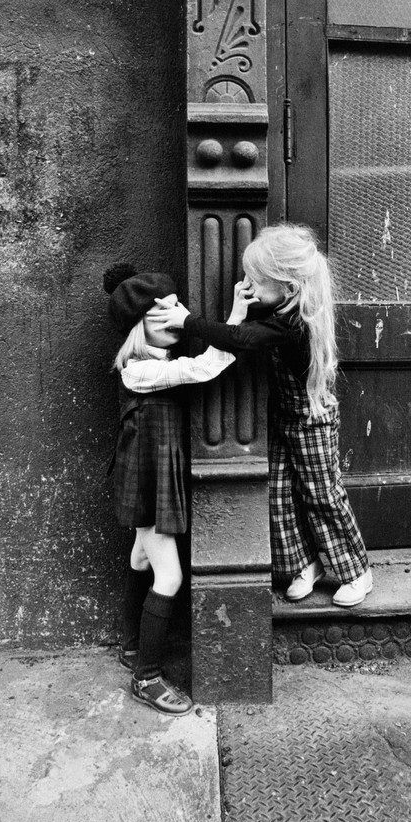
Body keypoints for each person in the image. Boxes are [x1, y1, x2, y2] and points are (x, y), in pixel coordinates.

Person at [145, 224, 372, 608]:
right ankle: (306, 563)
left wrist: (187, 321)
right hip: (285, 415)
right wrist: (242, 305)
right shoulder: (280, 308)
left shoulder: (294, 322)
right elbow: (244, 330)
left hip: (311, 419)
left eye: (257, 280)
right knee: (280, 491)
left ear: (288, 286)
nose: (248, 283)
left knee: (322, 494)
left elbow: (244, 339)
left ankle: (356, 571)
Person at [103, 264, 237, 716]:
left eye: (180, 306)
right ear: (143, 326)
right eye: (169, 311)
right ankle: (147, 678)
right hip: (146, 480)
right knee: (171, 577)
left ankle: (131, 647)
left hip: (152, 477)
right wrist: (236, 316)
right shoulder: (138, 370)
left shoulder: (155, 363)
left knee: (141, 557)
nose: (182, 316)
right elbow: (204, 368)